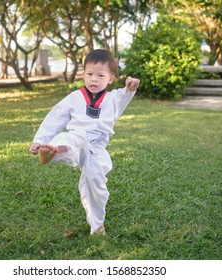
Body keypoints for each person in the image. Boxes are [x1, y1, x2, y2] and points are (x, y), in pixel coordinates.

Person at [29, 49, 140, 235]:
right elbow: (56, 117)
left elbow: (127, 92)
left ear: (111, 79)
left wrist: (132, 86)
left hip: (96, 147)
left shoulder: (113, 98)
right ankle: (51, 151)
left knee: (96, 184)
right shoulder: (75, 97)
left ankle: (97, 226)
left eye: (100, 75)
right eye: (89, 74)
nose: (93, 79)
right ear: (83, 75)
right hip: (76, 140)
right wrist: (40, 140)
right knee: (70, 138)